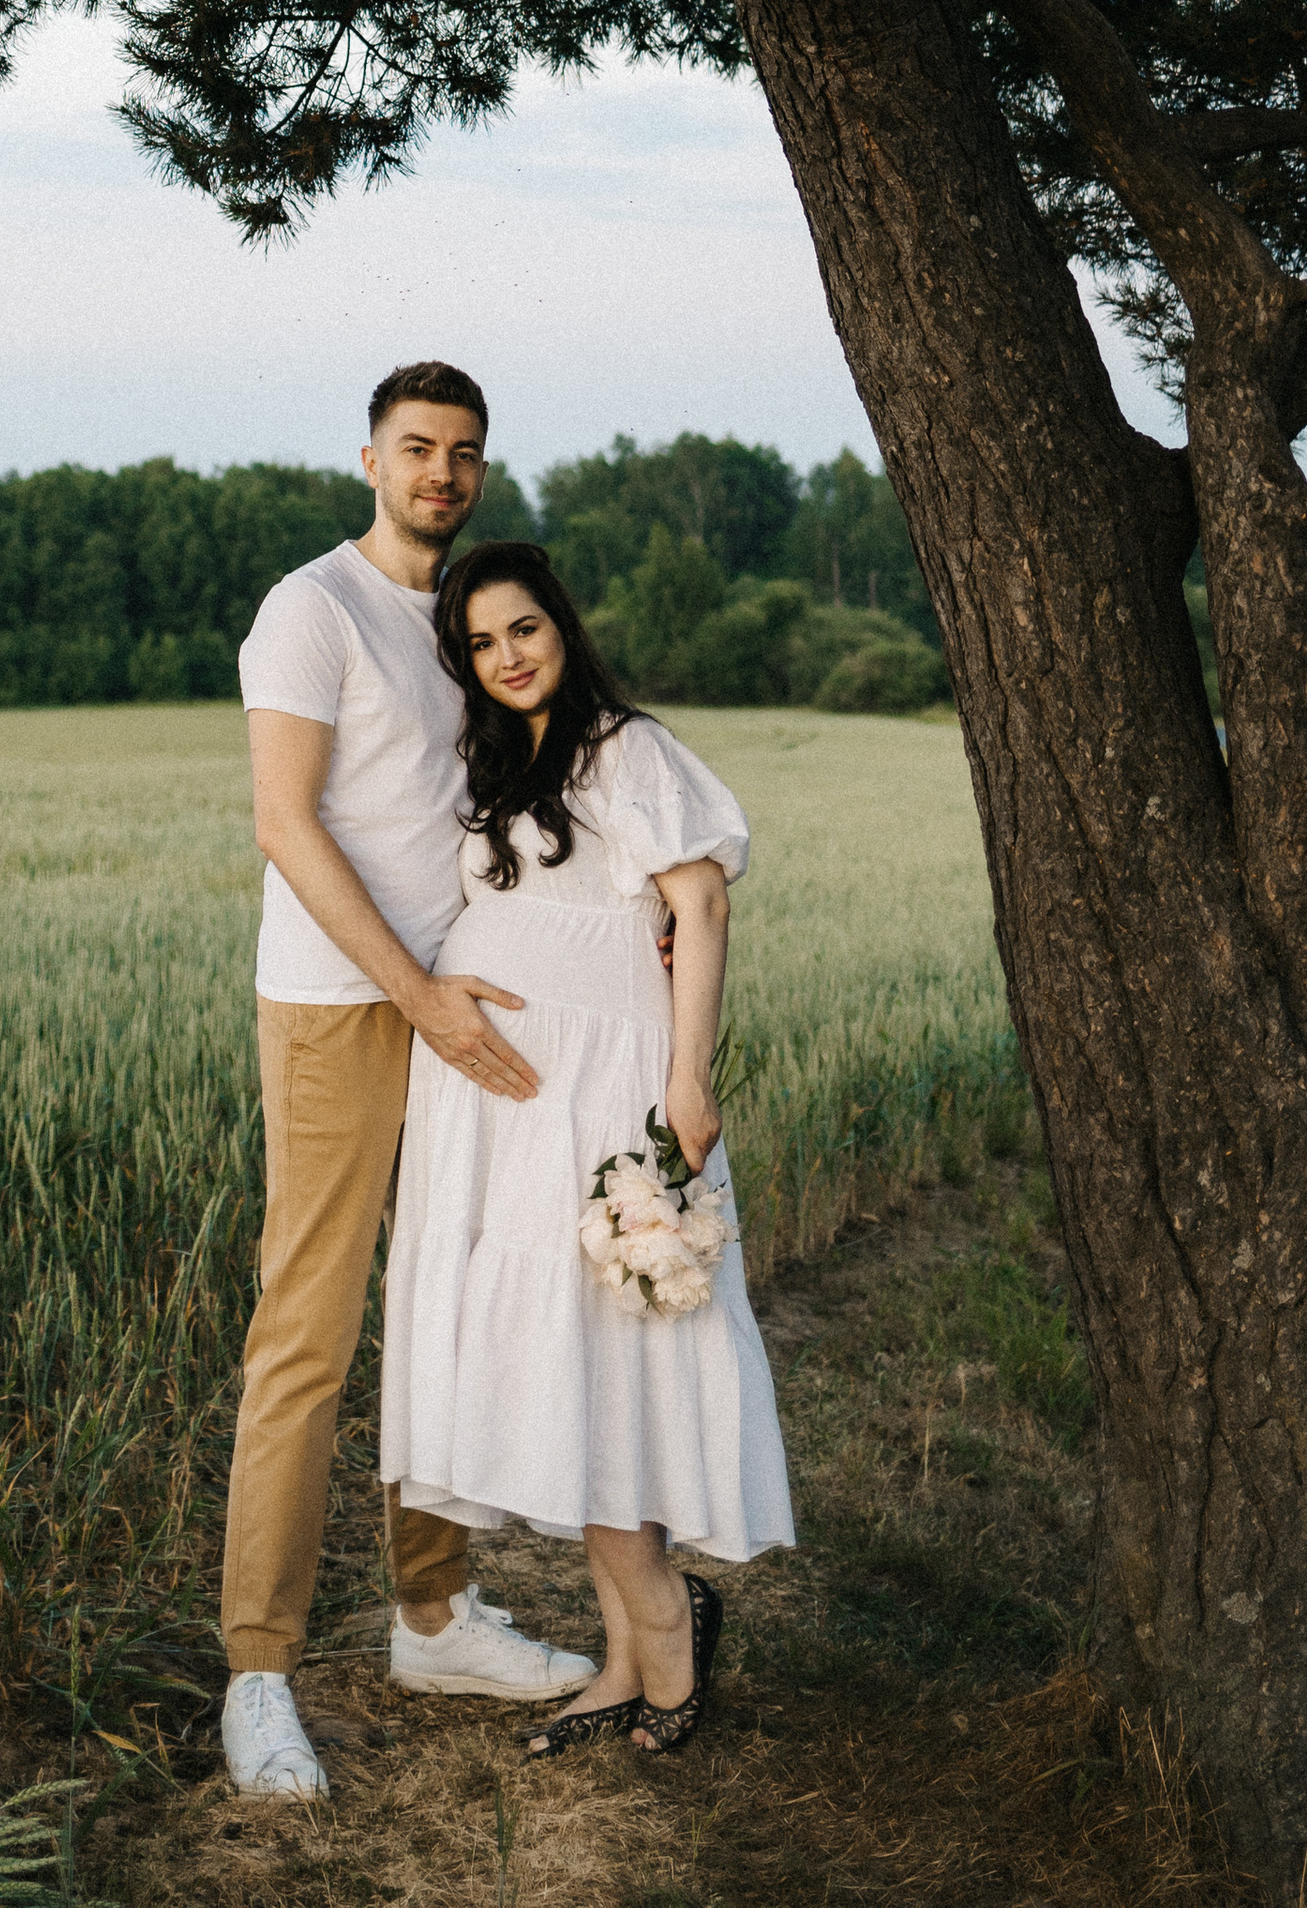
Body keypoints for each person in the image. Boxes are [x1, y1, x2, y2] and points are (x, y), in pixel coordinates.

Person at [221, 367, 596, 1803]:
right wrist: (415, 995)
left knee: (441, 1316)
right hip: (340, 1009)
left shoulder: (463, 625)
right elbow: (285, 823)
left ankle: (432, 1619)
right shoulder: (309, 609)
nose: (441, 472)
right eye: (417, 448)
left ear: (481, 477)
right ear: (369, 458)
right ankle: (258, 1672)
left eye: (465, 455)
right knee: (306, 1333)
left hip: (464, 1009)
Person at [379, 542, 795, 1759]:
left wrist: (686, 1081)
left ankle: (665, 1624)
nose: (505, 657)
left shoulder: (622, 747)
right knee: (561, 1361)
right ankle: (619, 1647)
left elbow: (700, 905)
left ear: (560, 624)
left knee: (615, 1353)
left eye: (523, 630)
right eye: (479, 644)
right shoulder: (504, 766)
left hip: (604, 1094)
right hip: (507, 1108)